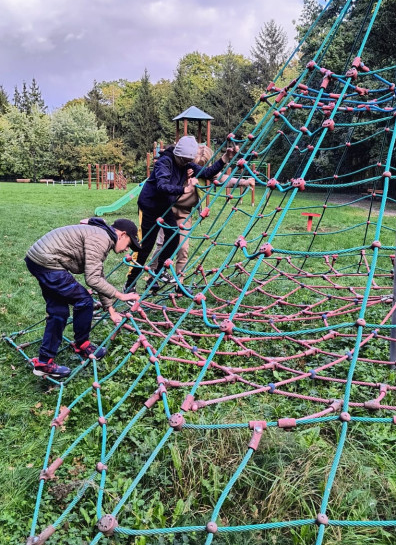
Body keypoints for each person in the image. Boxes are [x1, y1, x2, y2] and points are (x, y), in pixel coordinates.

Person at [25, 217, 141, 379]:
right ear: (122, 235)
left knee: (59, 311)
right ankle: (82, 344)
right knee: (84, 301)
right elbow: (92, 280)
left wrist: (110, 309)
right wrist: (120, 295)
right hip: (49, 263)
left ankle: (44, 362)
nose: (126, 249)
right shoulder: (101, 238)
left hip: (39, 260)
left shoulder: (101, 236)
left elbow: (98, 276)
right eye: (129, 244)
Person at [124, 135, 238, 291]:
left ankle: (158, 273)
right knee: (145, 247)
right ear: (178, 154)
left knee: (174, 237)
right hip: (149, 206)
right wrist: (185, 189)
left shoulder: (187, 163)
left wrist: (225, 158)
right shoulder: (165, 162)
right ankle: (130, 284)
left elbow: (206, 172)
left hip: (164, 206)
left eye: (188, 160)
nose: (186, 163)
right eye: (183, 160)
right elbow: (162, 186)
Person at [154, 145, 255, 279]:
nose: (196, 169)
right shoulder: (180, 168)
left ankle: (180, 282)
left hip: (185, 213)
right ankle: (154, 274)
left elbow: (225, 179)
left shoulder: (206, 173)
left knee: (183, 248)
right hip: (168, 210)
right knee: (162, 244)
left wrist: (245, 182)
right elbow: (164, 181)